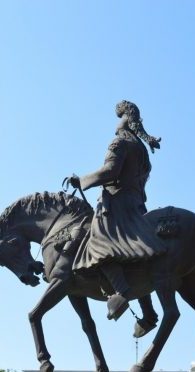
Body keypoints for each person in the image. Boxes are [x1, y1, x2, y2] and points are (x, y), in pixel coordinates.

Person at [66, 100, 166, 326]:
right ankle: (148, 312)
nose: (114, 127)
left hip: (117, 204)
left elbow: (110, 171)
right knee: (134, 254)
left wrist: (81, 180)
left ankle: (121, 292)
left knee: (98, 243)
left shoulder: (120, 142)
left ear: (124, 124)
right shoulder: (141, 149)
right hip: (137, 204)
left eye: (118, 121)